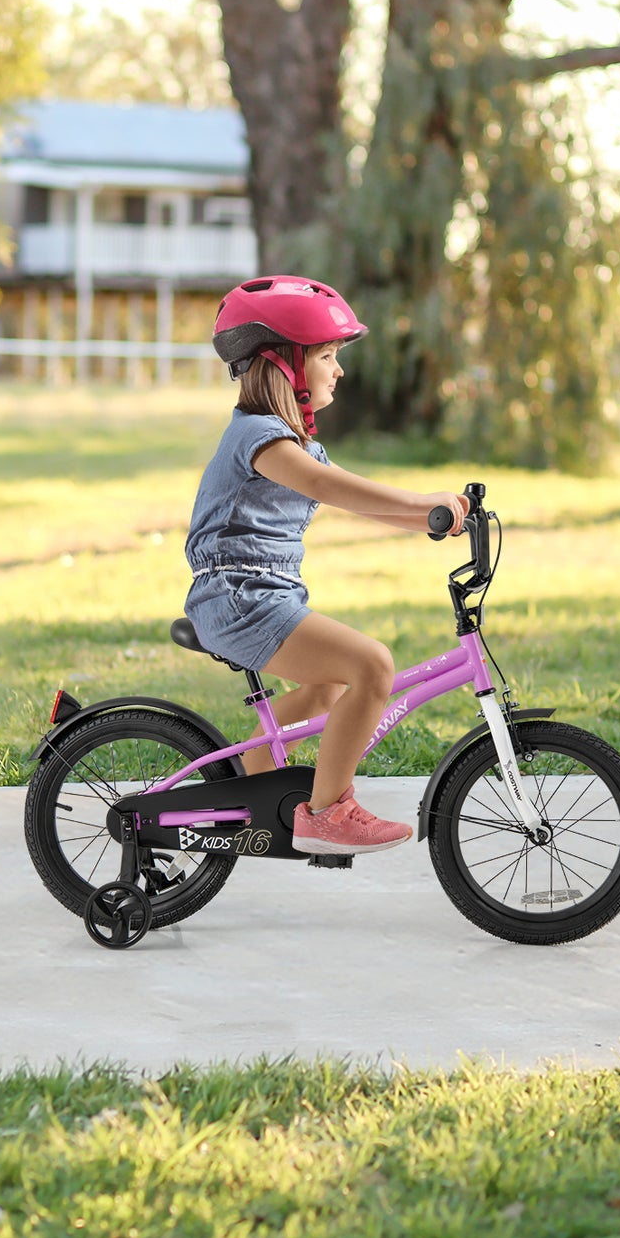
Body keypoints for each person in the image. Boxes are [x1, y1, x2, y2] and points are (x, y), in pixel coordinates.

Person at [184, 275, 469, 856]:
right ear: (285, 364)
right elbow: (334, 489)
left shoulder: (295, 443)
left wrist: (434, 518)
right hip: (238, 598)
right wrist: (425, 505)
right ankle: (326, 811)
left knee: (328, 687)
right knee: (372, 665)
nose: (338, 370)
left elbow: (356, 497)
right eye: (327, 356)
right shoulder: (263, 439)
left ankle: (256, 756)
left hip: (263, 595)